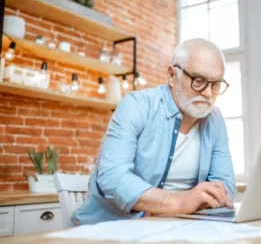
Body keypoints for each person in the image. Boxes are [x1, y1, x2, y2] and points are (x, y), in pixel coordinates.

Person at [70, 38, 236, 226]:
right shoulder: (136, 105)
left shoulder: (215, 119)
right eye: (199, 81)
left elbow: (225, 186)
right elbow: (112, 177)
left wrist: (189, 205)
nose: (208, 93)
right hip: (110, 229)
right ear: (172, 76)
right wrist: (178, 203)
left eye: (216, 84)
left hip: (176, 228)